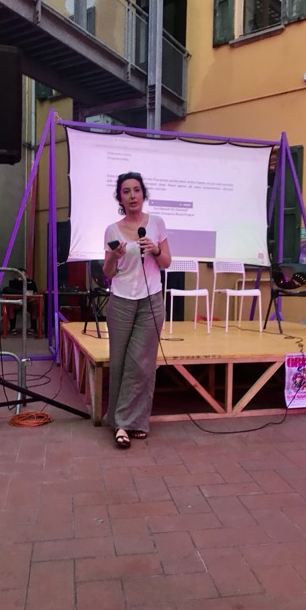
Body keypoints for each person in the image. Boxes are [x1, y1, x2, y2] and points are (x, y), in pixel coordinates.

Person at [103, 172, 172, 448]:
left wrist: (155, 249)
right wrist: (114, 256)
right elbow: (108, 273)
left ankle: (130, 423)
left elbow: (166, 262)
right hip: (120, 301)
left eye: (136, 190)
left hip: (151, 300)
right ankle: (120, 421)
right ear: (120, 198)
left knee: (140, 364)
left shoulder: (157, 223)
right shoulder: (112, 230)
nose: (132, 196)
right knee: (120, 362)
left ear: (143, 194)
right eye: (126, 191)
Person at [2, 269, 39, 336]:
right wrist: (22, 293)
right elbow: (7, 291)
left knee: (35, 305)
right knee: (10, 305)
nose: (22, 277)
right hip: (17, 302)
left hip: (29, 302)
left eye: (23, 275)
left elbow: (35, 294)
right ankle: (12, 328)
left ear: (26, 275)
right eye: (19, 275)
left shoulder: (31, 282)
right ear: (16, 276)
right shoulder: (13, 283)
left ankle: (33, 327)